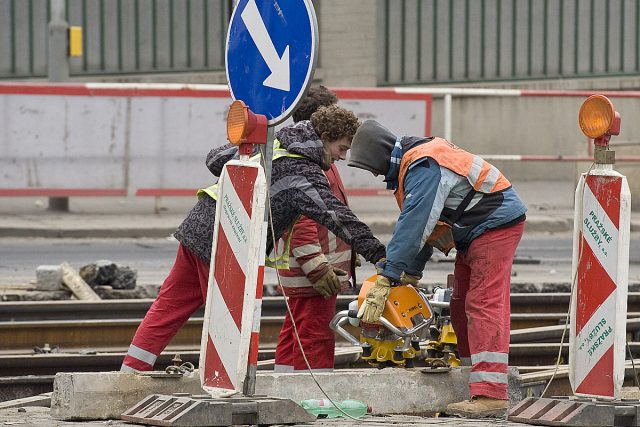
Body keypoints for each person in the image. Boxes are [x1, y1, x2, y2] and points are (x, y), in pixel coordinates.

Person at [120, 105, 386, 373]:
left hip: (198, 228)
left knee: (168, 307)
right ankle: (230, 387)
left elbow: (215, 159)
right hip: (228, 241)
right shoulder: (303, 171)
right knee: (234, 322)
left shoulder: (275, 139)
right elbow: (337, 216)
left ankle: (129, 373)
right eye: (341, 148)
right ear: (325, 136)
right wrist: (378, 254)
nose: (343, 157)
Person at [348, 120, 526, 418]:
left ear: (380, 157)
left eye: (373, 168)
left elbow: (416, 224)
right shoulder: (416, 163)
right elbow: (429, 228)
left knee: (482, 303)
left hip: (494, 224)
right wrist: (411, 270)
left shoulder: (423, 164)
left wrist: (390, 275)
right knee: (460, 305)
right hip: (475, 228)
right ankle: (475, 377)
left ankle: (491, 394)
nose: (376, 175)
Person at [274, 86, 358, 373]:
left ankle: (283, 387)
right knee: (316, 338)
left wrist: (348, 249)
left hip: (306, 269)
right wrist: (319, 269)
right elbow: (302, 226)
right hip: (314, 274)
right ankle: (314, 402)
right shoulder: (312, 164)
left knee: (295, 333)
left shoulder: (318, 160)